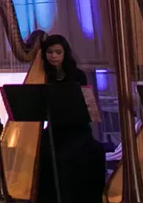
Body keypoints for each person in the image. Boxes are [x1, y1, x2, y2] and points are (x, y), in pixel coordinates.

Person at [33, 34, 105, 203]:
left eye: (58, 52)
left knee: (66, 156)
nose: (54, 56)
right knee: (40, 154)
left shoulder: (77, 75)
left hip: (76, 130)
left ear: (65, 53)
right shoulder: (42, 75)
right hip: (53, 130)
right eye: (50, 52)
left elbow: (84, 109)